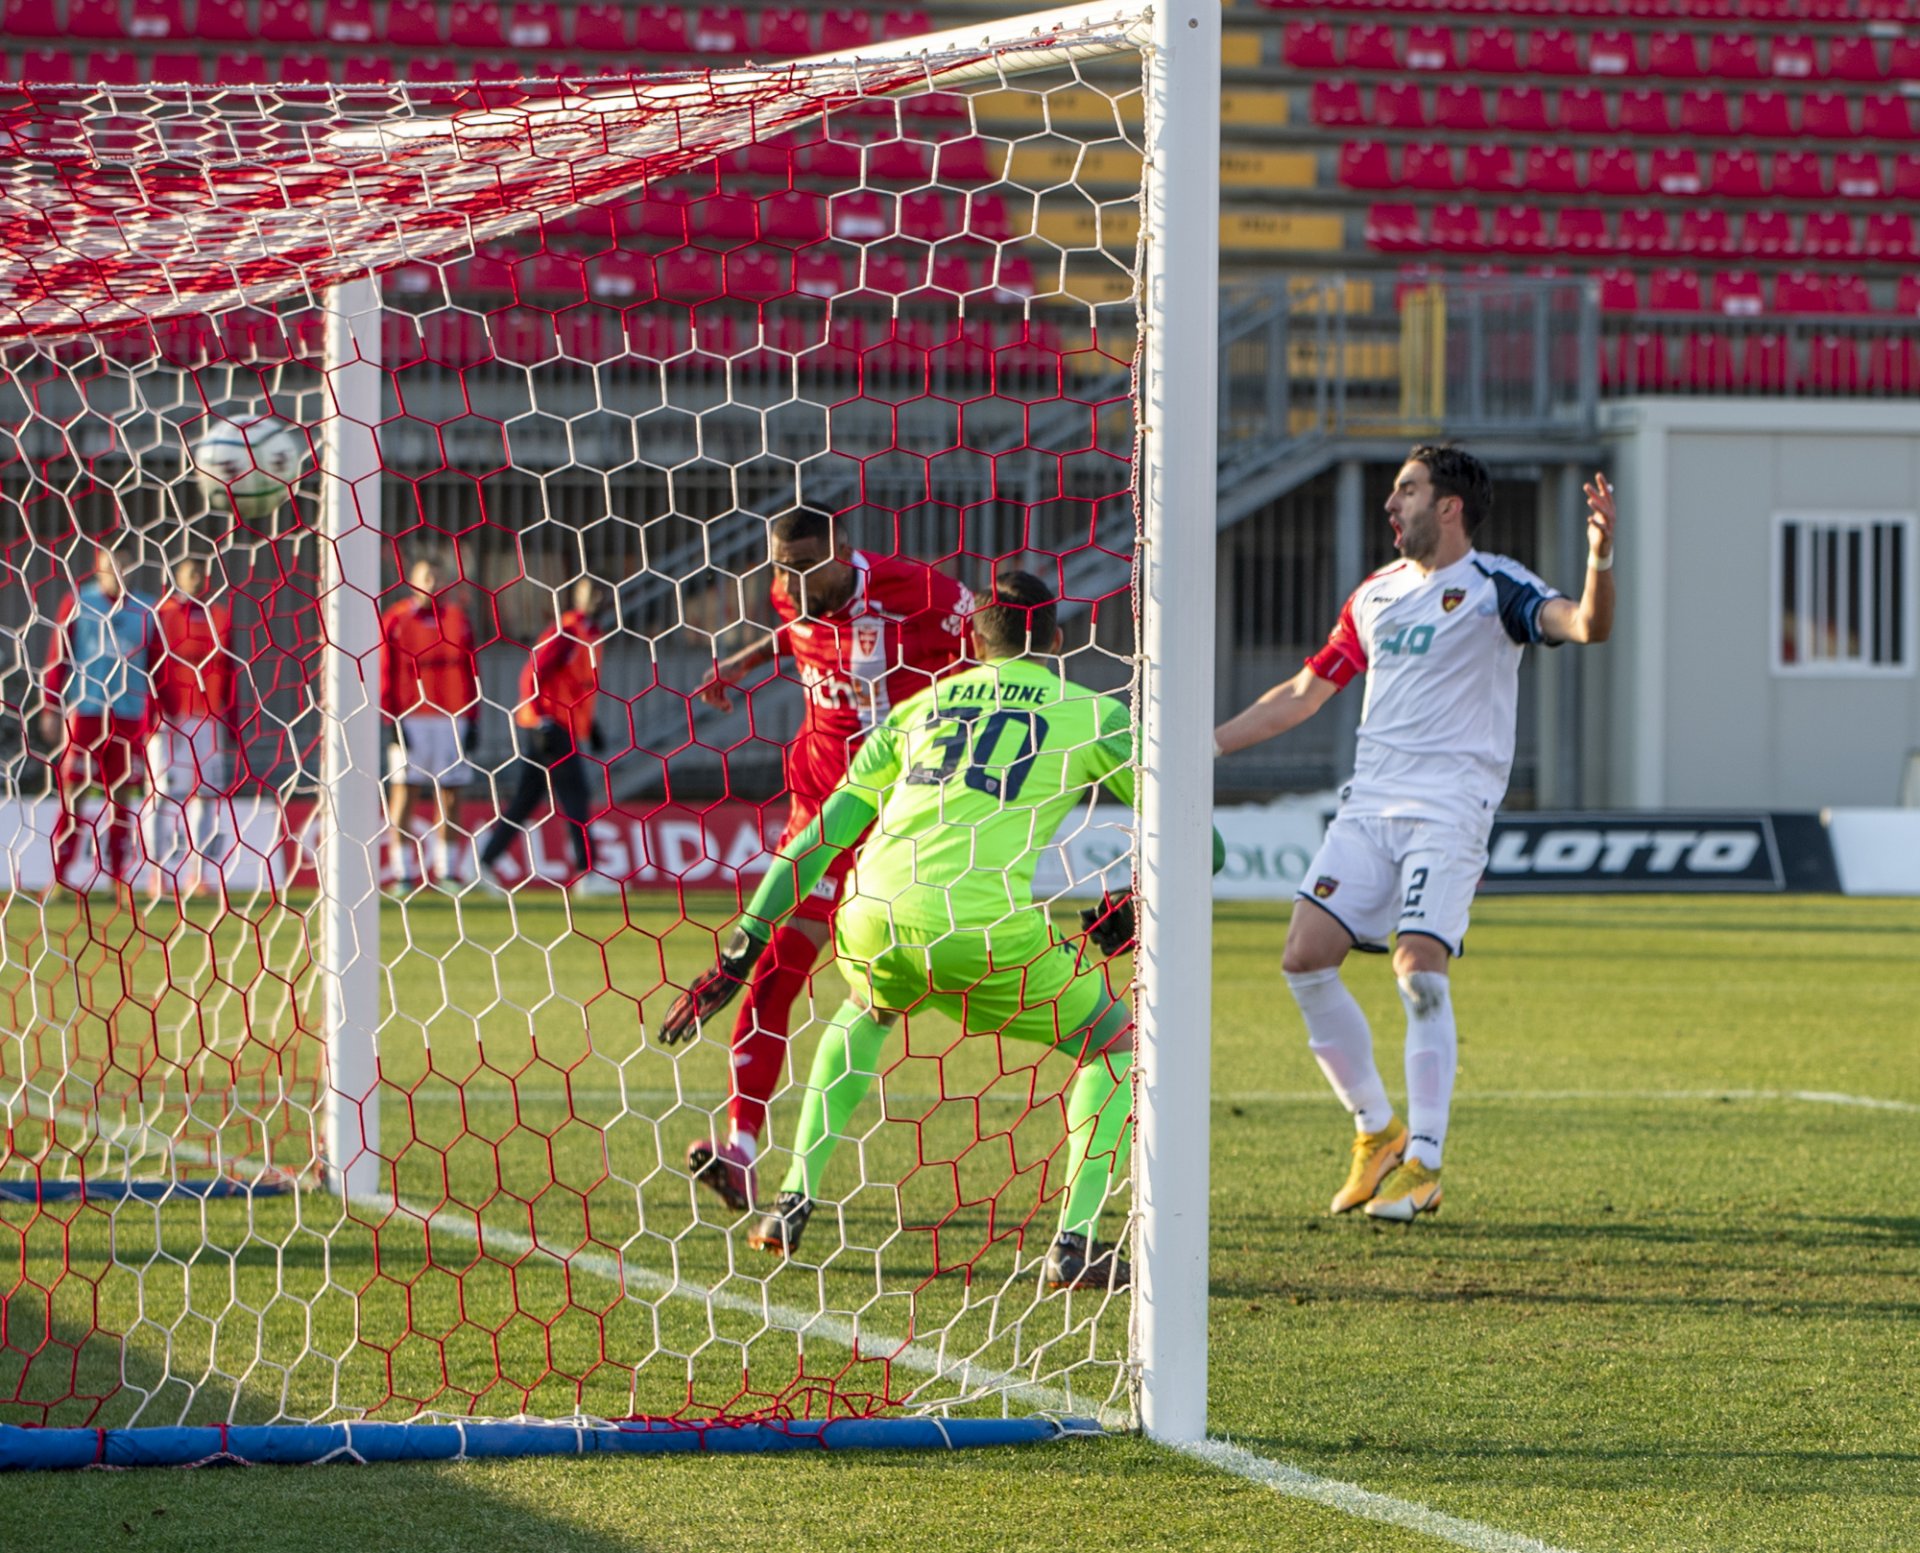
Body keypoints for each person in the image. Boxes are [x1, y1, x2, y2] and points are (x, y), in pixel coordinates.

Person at [664, 571, 1217, 1291]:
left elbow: (819, 838)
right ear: (1054, 639)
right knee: (1116, 1045)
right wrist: (1139, 900)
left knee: (865, 1009)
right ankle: (1073, 1245)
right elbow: (1203, 842)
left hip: (873, 915)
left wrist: (740, 949)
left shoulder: (919, 706)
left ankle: (791, 1200)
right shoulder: (1093, 714)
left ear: (970, 638)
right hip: (983, 931)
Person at [1214, 446, 1616, 1222]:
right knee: (1304, 956)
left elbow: (1587, 625)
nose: (1391, 505)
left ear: (1449, 506)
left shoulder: (1498, 586)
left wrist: (1600, 556)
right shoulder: (1376, 594)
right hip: (1369, 808)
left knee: (1417, 967)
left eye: (1406, 490)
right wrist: (1206, 745)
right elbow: (1303, 692)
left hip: (1450, 809)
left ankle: (1425, 1160)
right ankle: (1379, 1132)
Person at [684, 506, 971, 1215]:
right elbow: (796, 631)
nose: (794, 580)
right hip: (817, 815)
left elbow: (991, 651)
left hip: (894, 822)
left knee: (881, 988)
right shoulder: (789, 594)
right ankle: (741, 1149)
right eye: (783, 568)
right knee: (776, 968)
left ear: (844, 551)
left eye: (808, 566)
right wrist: (742, 663)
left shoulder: (920, 594)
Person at [477, 578, 616, 898]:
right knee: (575, 795)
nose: (597, 599)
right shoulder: (568, 631)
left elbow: (575, 686)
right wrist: (540, 719)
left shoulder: (591, 634)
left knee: (527, 800)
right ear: (576, 597)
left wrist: (590, 726)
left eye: (602, 594)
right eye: (591, 593)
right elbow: (532, 673)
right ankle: (587, 872)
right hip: (550, 726)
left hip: (562, 725)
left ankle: (484, 863)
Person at [40, 542, 158, 897]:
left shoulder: (148, 609)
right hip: (86, 710)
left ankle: (118, 878)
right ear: (98, 569)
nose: (117, 575)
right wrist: (50, 706)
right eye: (110, 568)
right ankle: (61, 876)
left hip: (129, 713)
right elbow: (57, 656)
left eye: (123, 568)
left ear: (133, 569)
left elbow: (156, 665)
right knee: (73, 793)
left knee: (123, 797)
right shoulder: (79, 602)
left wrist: (155, 717)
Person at [380, 556, 480, 893]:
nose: (433, 585)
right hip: (411, 718)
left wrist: (473, 718)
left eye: (438, 579)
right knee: (405, 793)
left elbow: (470, 670)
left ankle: (447, 872)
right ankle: (403, 873)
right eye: (427, 578)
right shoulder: (395, 619)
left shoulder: (457, 620)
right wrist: (390, 718)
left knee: (450, 794)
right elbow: (384, 671)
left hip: (452, 719)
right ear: (412, 582)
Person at [145, 556, 238, 902]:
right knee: (162, 796)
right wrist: (155, 716)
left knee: (205, 795)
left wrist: (230, 719)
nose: (197, 579)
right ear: (177, 577)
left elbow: (229, 670)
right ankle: (158, 874)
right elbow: (149, 666)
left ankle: (197, 874)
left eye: (201, 573)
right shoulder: (162, 614)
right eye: (190, 573)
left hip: (207, 717)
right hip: (168, 718)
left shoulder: (219, 616)